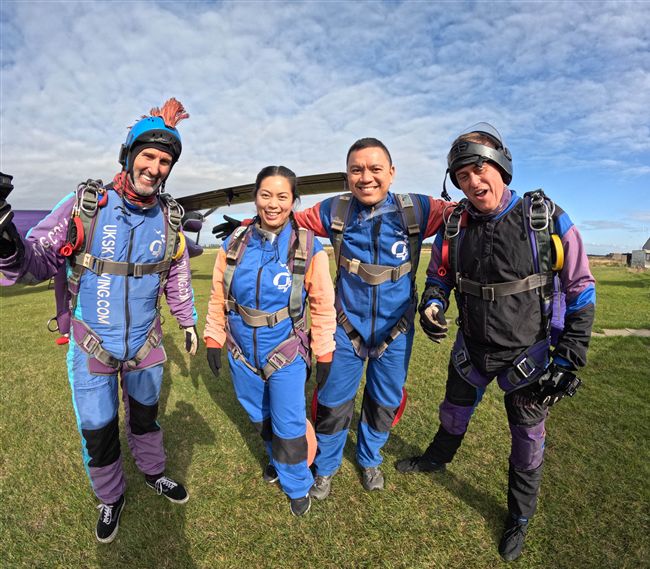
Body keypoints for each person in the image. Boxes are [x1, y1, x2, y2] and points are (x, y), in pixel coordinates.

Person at [0, 98, 199, 544]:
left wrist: (187, 320)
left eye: (164, 161)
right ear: (128, 155)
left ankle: (153, 473)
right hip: (91, 346)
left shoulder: (169, 219)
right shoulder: (86, 206)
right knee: (99, 428)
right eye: (148, 156)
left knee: (146, 418)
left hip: (146, 346)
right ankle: (110, 496)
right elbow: (36, 261)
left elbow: (177, 272)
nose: (155, 168)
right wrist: (5, 238)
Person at [395, 123, 596, 561]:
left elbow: (581, 287)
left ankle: (519, 516)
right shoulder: (454, 224)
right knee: (453, 412)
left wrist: (568, 358)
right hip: (471, 349)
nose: (472, 182)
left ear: (501, 167)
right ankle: (437, 458)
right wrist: (432, 305)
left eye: (479, 170)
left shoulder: (544, 218)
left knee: (527, 440)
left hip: (529, 356)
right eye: (462, 176)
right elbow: (440, 276)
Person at [215, 139, 451, 498]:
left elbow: (464, 213)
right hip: (346, 328)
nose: (366, 177)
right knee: (332, 402)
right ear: (347, 175)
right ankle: (325, 467)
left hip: (397, 330)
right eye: (357, 170)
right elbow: (286, 218)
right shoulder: (335, 210)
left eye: (375, 169)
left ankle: (370, 459)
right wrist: (248, 224)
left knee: (384, 401)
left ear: (391, 172)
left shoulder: (417, 210)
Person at [204, 165, 336, 516]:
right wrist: (214, 337)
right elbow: (218, 296)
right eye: (266, 195)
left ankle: (297, 484)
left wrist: (324, 351)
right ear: (255, 198)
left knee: (288, 422)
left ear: (293, 201)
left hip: (285, 349)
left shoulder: (308, 247)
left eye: (282, 196)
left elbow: (323, 304)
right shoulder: (234, 244)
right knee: (260, 415)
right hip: (240, 349)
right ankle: (277, 460)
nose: (273, 204)